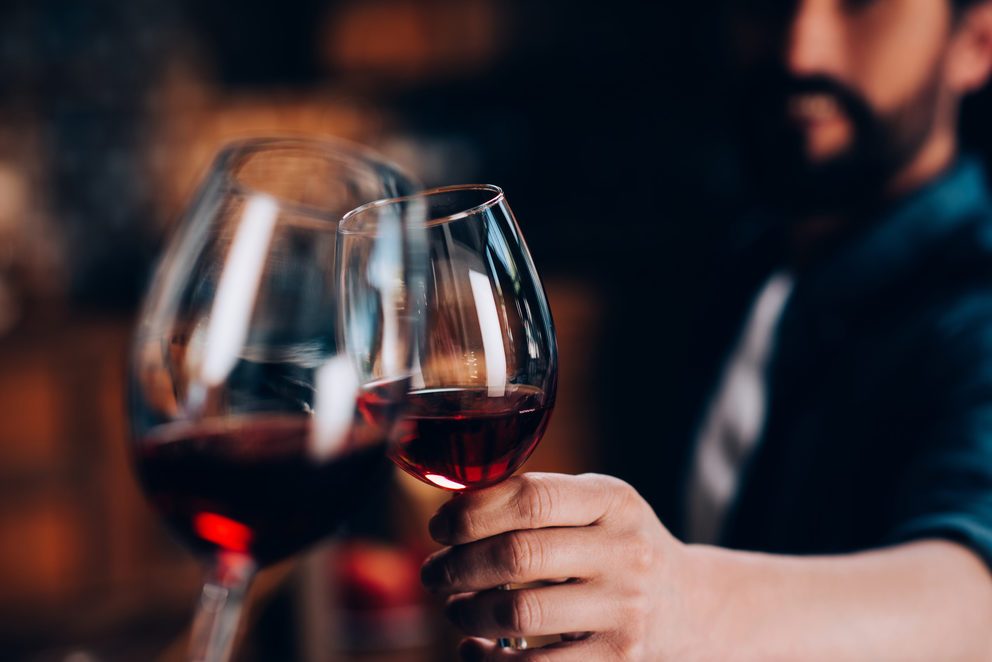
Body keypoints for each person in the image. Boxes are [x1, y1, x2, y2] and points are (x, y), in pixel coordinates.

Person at [419, 0, 992, 659]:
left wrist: (689, 606)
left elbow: (975, 599)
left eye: (860, 6)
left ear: (974, 42)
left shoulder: (976, 305)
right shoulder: (725, 274)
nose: (799, 51)